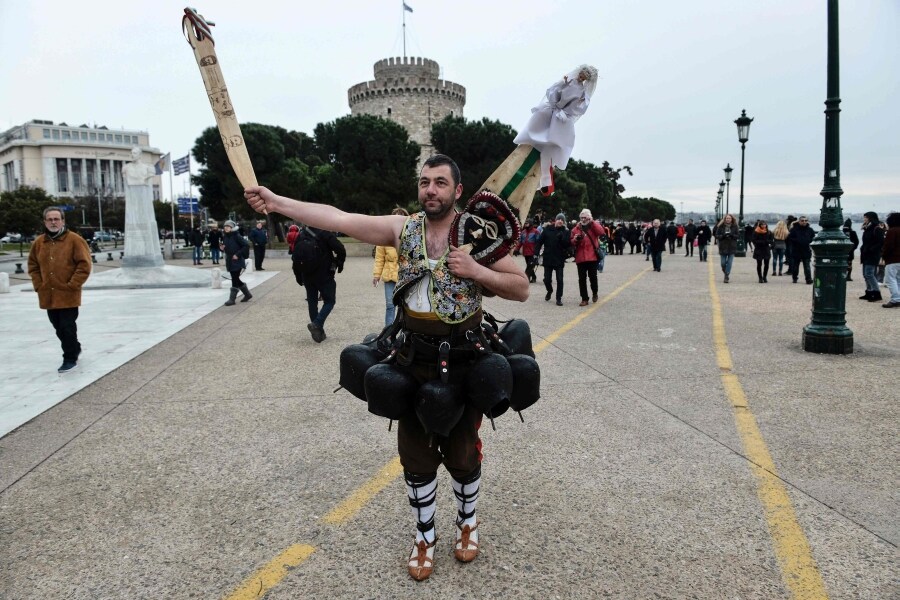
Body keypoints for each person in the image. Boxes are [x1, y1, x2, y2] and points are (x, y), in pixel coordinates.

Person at [244, 154, 529, 582]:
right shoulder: (402, 229)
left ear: (457, 191)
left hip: (466, 357)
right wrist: (277, 201)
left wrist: (476, 270)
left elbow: (521, 287)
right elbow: (339, 217)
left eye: (439, 183)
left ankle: (468, 523)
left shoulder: (475, 235)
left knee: (463, 453)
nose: (430, 190)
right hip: (413, 358)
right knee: (414, 456)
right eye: (424, 182)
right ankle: (424, 537)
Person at [513, 65, 598, 195]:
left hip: (561, 116)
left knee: (552, 143)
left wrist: (572, 107)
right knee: (537, 127)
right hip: (552, 110)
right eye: (580, 75)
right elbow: (553, 91)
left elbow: (577, 108)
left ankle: (542, 178)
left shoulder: (582, 91)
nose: (581, 77)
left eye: (583, 77)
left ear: (586, 79)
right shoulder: (567, 81)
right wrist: (561, 84)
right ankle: (526, 151)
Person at [27, 206, 92, 373]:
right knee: (57, 326)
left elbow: (84, 265)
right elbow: (33, 265)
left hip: (68, 294)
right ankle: (75, 347)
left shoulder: (74, 240)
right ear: (45, 222)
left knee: (67, 326)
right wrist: (38, 285)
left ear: (63, 221)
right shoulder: (39, 242)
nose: (53, 222)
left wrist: (72, 284)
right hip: (48, 294)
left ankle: (69, 358)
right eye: (50, 219)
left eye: (56, 219)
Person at [294, 224, 346, 342]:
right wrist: (339, 263)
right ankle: (317, 324)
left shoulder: (301, 235)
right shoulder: (324, 233)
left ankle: (318, 331)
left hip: (307, 274)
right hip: (324, 274)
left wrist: (298, 275)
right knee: (330, 301)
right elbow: (340, 249)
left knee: (312, 302)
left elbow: (296, 257)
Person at [372, 208, 408, 326]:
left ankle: (404, 330)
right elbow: (379, 258)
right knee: (390, 305)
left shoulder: (410, 235)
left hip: (405, 277)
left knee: (405, 306)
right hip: (390, 276)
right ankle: (388, 331)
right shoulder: (384, 237)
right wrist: (376, 275)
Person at [534, 213, 571, 305]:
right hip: (548, 258)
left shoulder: (566, 231)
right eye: (559, 219)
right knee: (546, 279)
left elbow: (567, 245)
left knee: (560, 280)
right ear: (555, 220)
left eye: (562, 220)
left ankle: (559, 298)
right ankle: (549, 290)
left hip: (559, 258)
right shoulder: (547, 229)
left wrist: (562, 238)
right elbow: (539, 242)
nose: (560, 221)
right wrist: (536, 254)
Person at [570, 209, 604, 306]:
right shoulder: (575, 229)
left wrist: (592, 222)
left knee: (593, 277)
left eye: (585, 217)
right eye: (582, 218)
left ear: (589, 217)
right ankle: (584, 298)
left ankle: (595, 292)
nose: (583, 219)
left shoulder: (593, 227)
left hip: (592, 257)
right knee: (581, 279)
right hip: (580, 258)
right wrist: (575, 239)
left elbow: (601, 232)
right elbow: (571, 241)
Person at [221, 220, 252, 305]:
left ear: (232, 228)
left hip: (237, 260)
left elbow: (246, 245)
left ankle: (232, 299)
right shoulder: (225, 236)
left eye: (228, 226)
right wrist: (223, 248)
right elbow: (228, 248)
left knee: (234, 278)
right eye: (225, 226)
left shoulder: (236, 236)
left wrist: (237, 254)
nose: (226, 228)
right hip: (230, 260)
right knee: (236, 278)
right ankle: (247, 294)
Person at [859, 211, 885, 302]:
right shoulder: (868, 228)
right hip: (866, 254)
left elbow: (881, 241)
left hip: (872, 254)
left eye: (865, 217)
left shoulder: (876, 228)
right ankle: (869, 292)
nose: (864, 219)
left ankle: (876, 293)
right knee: (866, 274)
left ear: (870, 218)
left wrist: (871, 249)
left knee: (869, 273)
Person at [787, 216, 816, 284]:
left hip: (806, 250)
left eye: (805, 220)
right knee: (795, 266)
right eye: (802, 221)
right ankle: (795, 278)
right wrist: (797, 241)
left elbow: (813, 238)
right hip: (796, 250)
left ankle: (808, 279)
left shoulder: (810, 230)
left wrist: (808, 241)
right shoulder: (794, 229)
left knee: (807, 266)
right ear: (799, 221)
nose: (804, 222)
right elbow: (790, 238)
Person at [881, 212, 900, 308]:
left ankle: (896, 299)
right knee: (898, 280)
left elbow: (888, 246)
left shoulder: (892, 231)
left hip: (893, 259)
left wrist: (884, 255)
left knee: (890, 280)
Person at [714, 214, 739, 283]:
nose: (728, 219)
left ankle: (726, 276)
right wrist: (723, 236)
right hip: (723, 246)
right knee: (723, 263)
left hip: (732, 246)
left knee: (729, 262)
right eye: (727, 218)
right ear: (725, 219)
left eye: (729, 218)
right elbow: (716, 235)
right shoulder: (720, 226)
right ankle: (725, 271)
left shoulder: (735, 226)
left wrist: (732, 235)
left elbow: (737, 236)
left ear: (732, 219)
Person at [518, 219, 541, 283]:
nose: (526, 224)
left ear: (530, 223)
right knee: (529, 266)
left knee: (529, 266)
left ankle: (525, 279)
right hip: (526, 252)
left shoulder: (536, 231)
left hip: (533, 252)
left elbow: (538, 242)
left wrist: (537, 252)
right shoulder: (523, 232)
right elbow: (520, 242)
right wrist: (516, 249)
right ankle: (534, 277)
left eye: (527, 223)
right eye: (525, 223)